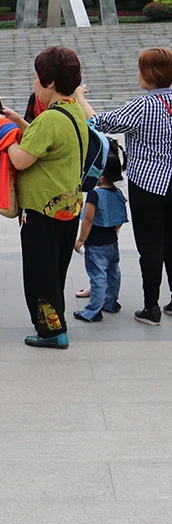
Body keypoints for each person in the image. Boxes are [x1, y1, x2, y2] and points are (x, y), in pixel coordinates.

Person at [77, 47, 172, 325]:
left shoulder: (143, 106)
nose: (137, 74)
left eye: (141, 69)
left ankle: (151, 307)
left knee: (151, 247)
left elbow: (98, 123)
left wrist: (81, 97)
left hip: (148, 186)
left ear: (151, 73)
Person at [2, 46, 88, 350]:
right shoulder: (73, 108)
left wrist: (2, 137)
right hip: (69, 208)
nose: (35, 84)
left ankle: (52, 332)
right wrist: (19, 122)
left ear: (49, 82)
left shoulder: (49, 117)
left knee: (40, 273)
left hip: (42, 210)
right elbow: (45, 141)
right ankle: (57, 322)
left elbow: (22, 159)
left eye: (36, 78)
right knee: (55, 269)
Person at [73, 143, 128, 323]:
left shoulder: (95, 195)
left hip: (95, 243)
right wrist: (114, 230)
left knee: (97, 276)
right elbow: (121, 217)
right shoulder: (118, 193)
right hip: (112, 242)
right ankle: (111, 302)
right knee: (113, 273)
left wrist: (81, 240)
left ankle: (93, 310)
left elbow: (88, 219)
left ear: (102, 176)